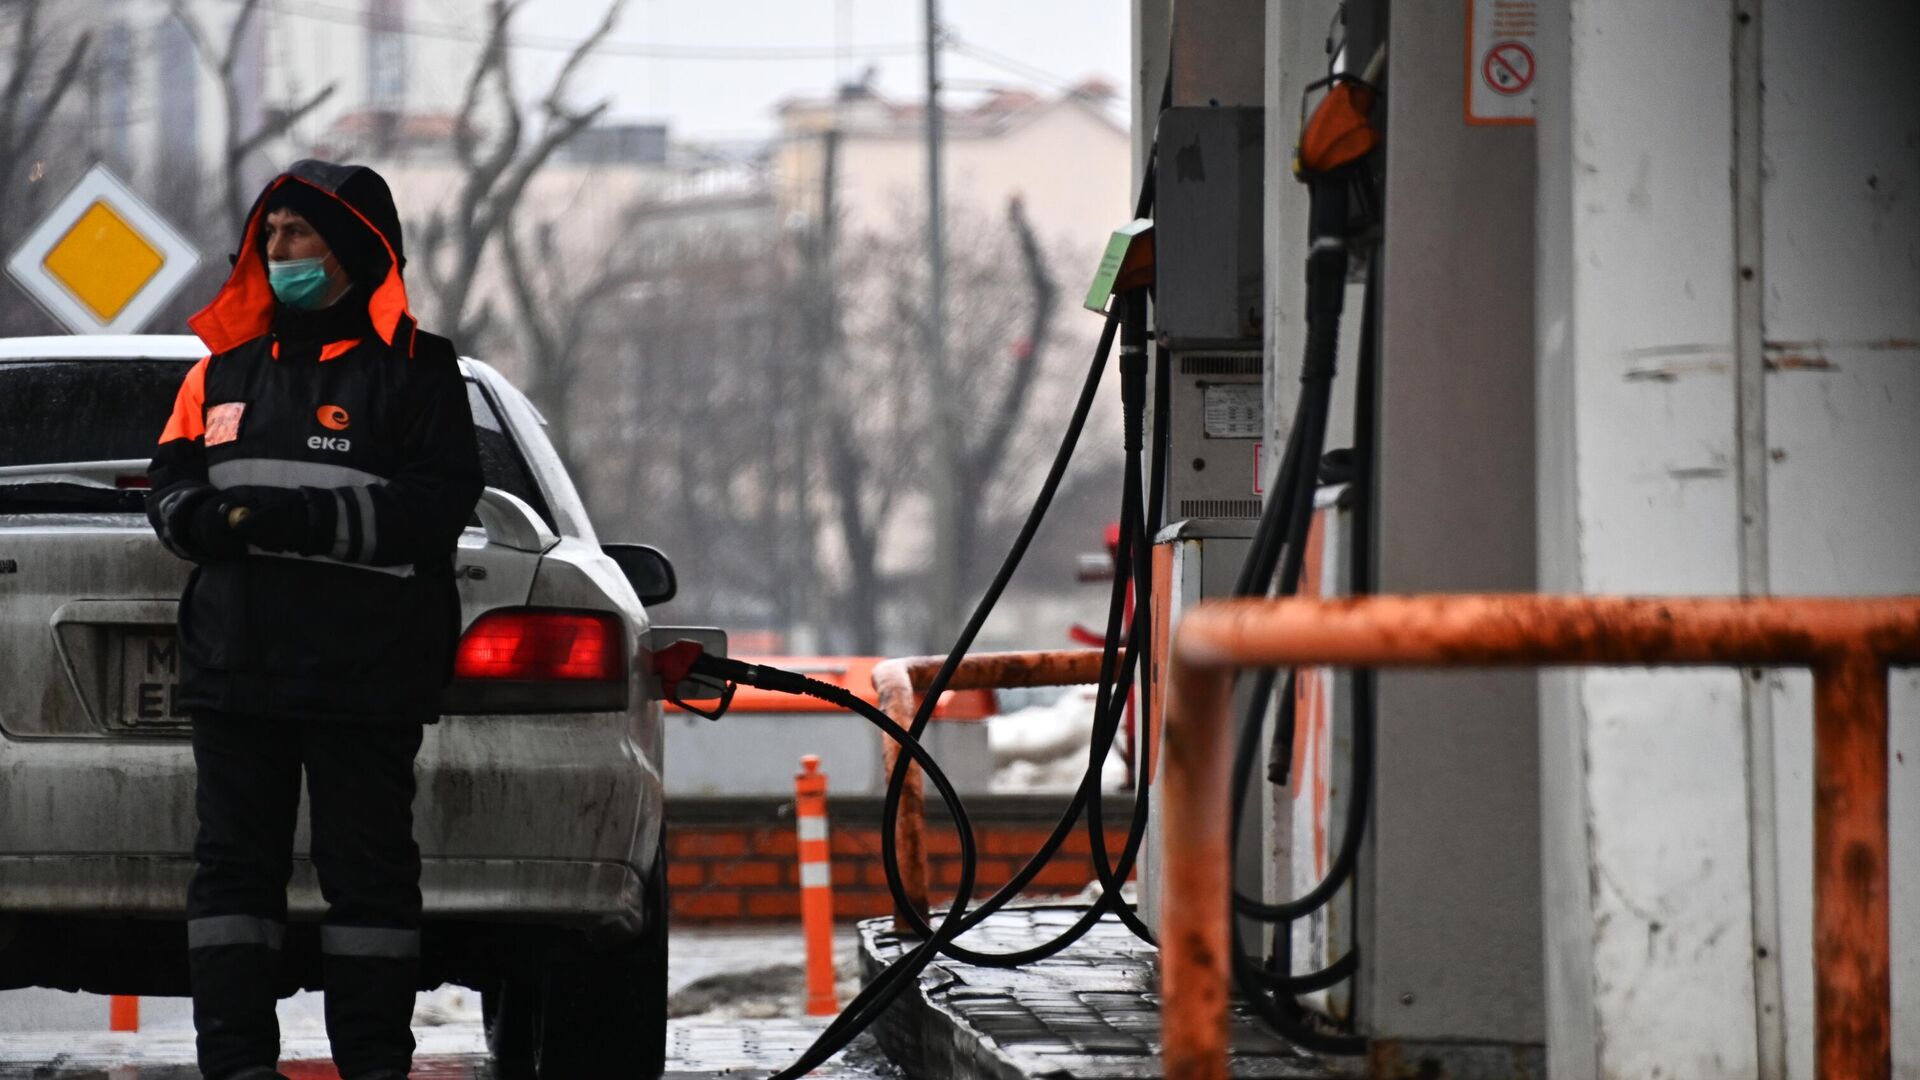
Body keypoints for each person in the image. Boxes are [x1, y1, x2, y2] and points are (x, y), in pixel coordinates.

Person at [145, 160, 483, 1080]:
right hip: (236, 671)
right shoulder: (221, 372)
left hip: (364, 676)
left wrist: (296, 520)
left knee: (369, 881)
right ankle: (238, 1067)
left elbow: (440, 499)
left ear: (357, 251)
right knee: (231, 884)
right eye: (271, 235)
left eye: (299, 234)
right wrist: (197, 517)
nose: (278, 250)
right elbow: (167, 484)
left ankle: (374, 1066)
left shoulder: (418, 370)